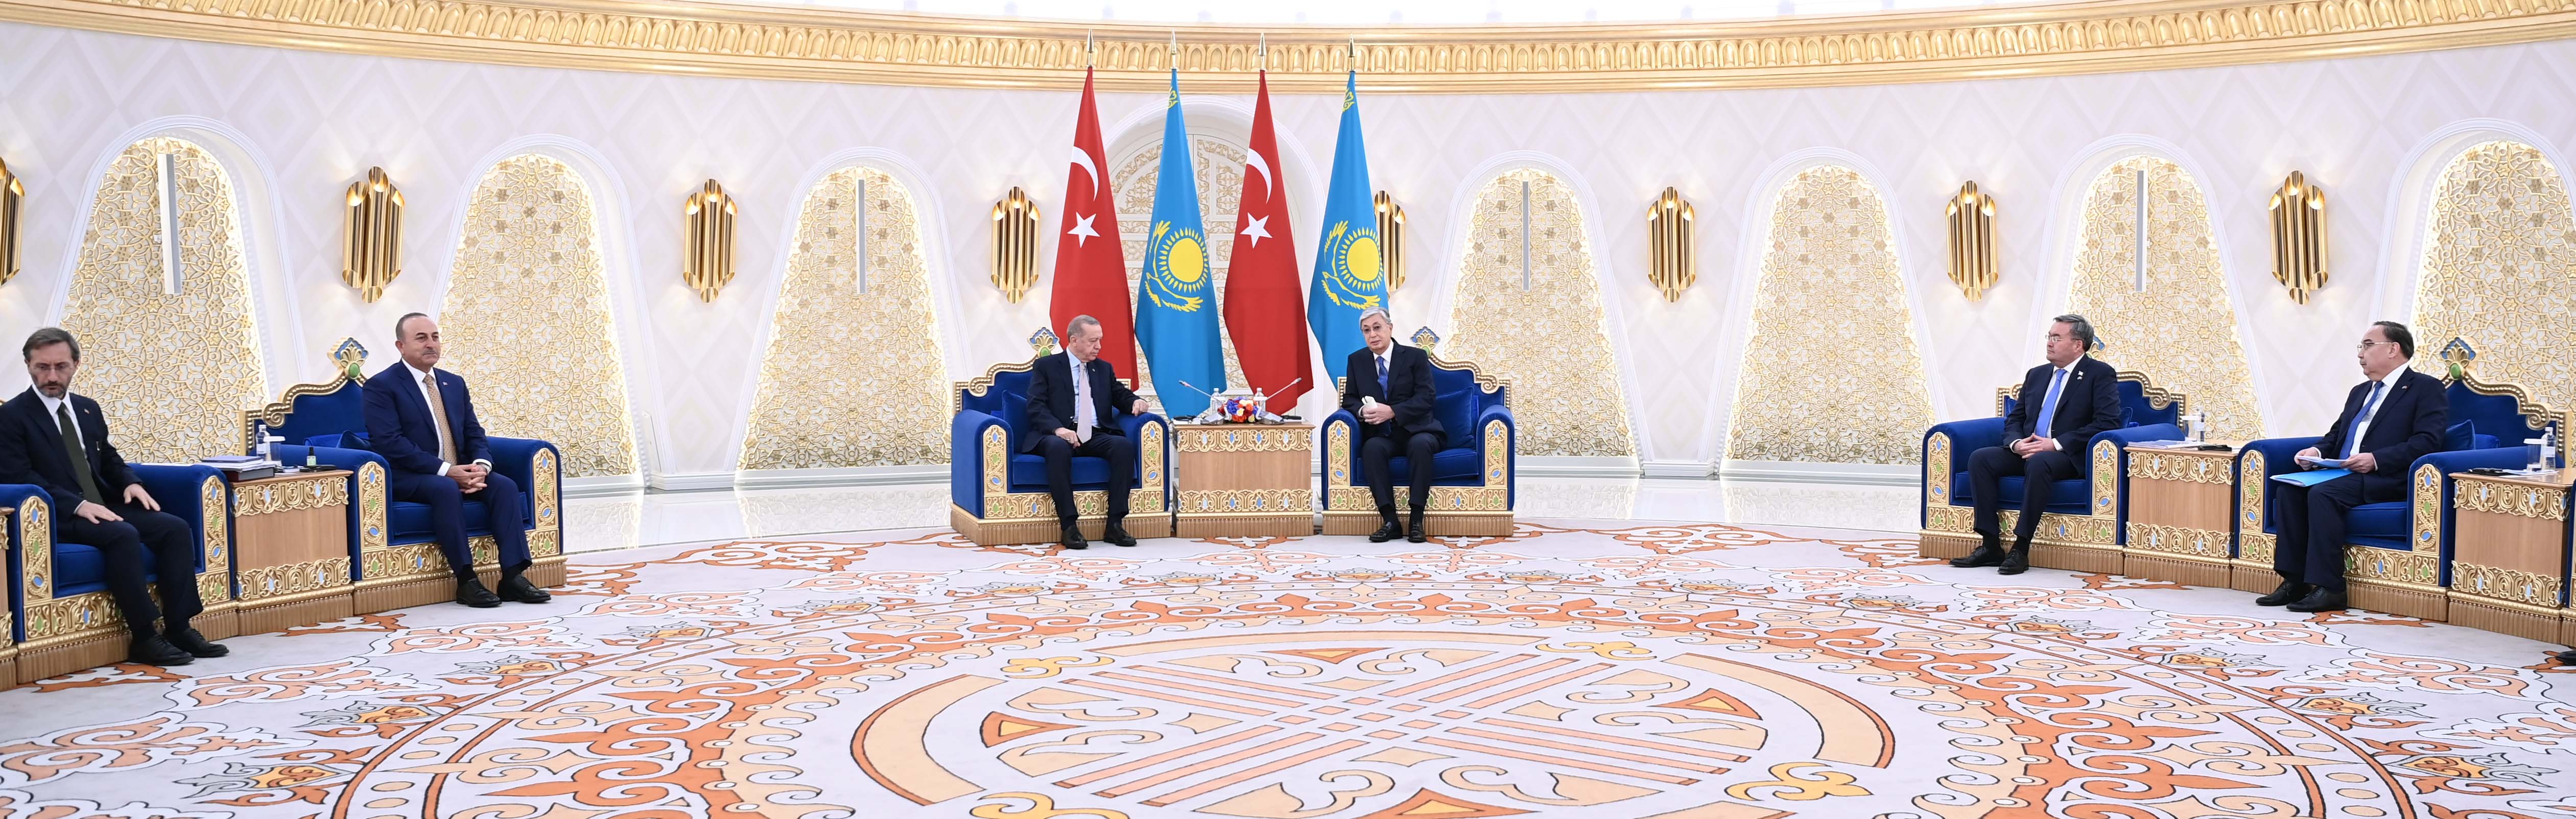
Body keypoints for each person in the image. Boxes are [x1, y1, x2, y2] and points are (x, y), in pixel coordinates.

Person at [0, 328, 226, 666]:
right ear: (29, 366)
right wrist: (78, 505)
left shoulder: (87, 409)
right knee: (122, 534)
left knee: (174, 528)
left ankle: (180, 628)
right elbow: (19, 476)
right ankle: (145, 637)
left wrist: (130, 483)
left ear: (76, 364)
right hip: (57, 513)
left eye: (61, 366)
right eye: (42, 367)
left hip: (103, 503)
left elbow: (107, 456)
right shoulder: (12, 416)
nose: (52, 376)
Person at [363, 313, 550, 608]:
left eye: (435, 337)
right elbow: (391, 443)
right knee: (445, 488)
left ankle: (513, 577)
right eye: (421, 338)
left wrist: (481, 467)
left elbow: (474, 433)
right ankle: (466, 580)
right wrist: (447, 471)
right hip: (409, 474)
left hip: (459, 470)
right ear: (401, 346)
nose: (431, 344)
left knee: (504, 486)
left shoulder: (453, 383)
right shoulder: (382, 386)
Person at [2261, 321, 2446, 614]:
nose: (2361, 353)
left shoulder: (2426, 388)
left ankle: (2331, 588)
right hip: (2343, 471)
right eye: (2361, 346)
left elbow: (2427, 441)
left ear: (2393, 349)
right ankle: (2295, 581)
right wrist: (2317, 452)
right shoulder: (2360, 391)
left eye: (2368, 345)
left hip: (2387, 476)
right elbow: (2337, 434)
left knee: (2324, 494)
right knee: (2289, 490)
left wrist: (2376, 459)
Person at [1952, 315, 2121, 575]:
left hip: (2066, 455)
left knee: (2041, 462)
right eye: (2049, 337)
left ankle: (2021, 549)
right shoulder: (2037, 375)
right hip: (2028, 448)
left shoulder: (2099, 374)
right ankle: (1990, 545)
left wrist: (2055, 444)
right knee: (1981, 459)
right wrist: (2016, 444)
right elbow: (2016, 418)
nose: (2050, 343)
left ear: (2078, 345)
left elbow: (2107, 422)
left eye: (2057, 338)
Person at [1025, 315, 1150, 550]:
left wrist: (1136, 401)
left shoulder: (1103, 368)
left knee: (1123, 447)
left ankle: (1115, 524)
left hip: (1094, 433)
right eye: (1093, 341)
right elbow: (1036, 405)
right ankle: (1069, 525)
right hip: (1058, 433)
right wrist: (1058, 429)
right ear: (1074, 340)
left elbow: (1120, 394)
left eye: (1100, 340)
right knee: (1057, 448)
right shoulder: (1047, 366)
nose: (1099, 346)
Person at [1341, 308, 1444, 544]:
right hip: (1383, 433)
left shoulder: (1415, 357)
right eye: (1366, 330)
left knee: (1420, 446)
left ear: (1390, 328)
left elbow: (1427, 397)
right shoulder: (1357, 361)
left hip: (1418, 429)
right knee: (1371, 449)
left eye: (1377, 328)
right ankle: (1390, 521)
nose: (1373, 335)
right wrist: (1361, 411)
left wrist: (1393, 411)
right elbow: (1350, 399)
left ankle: (1416, 521)